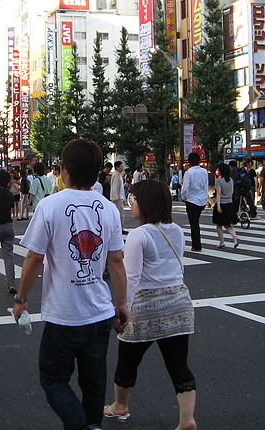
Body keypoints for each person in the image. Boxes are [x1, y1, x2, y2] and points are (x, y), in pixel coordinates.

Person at [12, 139, 129, 430]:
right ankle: (91, 425)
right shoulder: (108, 209)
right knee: (93, 384)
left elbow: (34, 258)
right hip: (100, 313)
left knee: (53, 379)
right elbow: (116, 261)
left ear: (65, 170)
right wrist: (122, 303)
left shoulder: (51, 206)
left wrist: (21, 299)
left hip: (63, 315)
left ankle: (80, 426)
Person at [104, 180, 196, 430]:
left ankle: (119, 405)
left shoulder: (139, 234)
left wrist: (124, 306)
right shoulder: (176, 230)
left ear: (146, 204)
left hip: (146, 305)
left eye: (134, 199)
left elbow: (131, 276)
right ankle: (186, 419)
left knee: (128, 359)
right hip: (178, 303)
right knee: (178, 364)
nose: (131, 203)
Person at [181, 152, 208, 252]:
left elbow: (185, 188)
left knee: (194, 223)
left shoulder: (189, 172)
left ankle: (196, 245)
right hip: (201, 200)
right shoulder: (204, 171)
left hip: (192, 200)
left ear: (189, 161)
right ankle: (197, 244)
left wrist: (184, 197)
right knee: (195, 222)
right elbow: (206, 186)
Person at [213, 162, 239, 249]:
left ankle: (222, 241)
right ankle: (235, 238)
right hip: (229, 203)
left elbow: (219, 193)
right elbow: (231, 192)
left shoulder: (218, 181)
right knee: (228, 224)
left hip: (222, 204)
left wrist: (218, 205)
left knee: (219, 224)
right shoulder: (231, 180)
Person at [109, 161, 126, 230]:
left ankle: (121, 228)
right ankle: (120, 228)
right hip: (118, 197)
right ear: (117, 167)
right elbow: (115, 187)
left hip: (120, 196)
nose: (123, 167)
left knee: (121, 213)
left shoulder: (119, 175)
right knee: (120, 213)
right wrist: (115, 197)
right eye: (121, 166)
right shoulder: (116, 175)